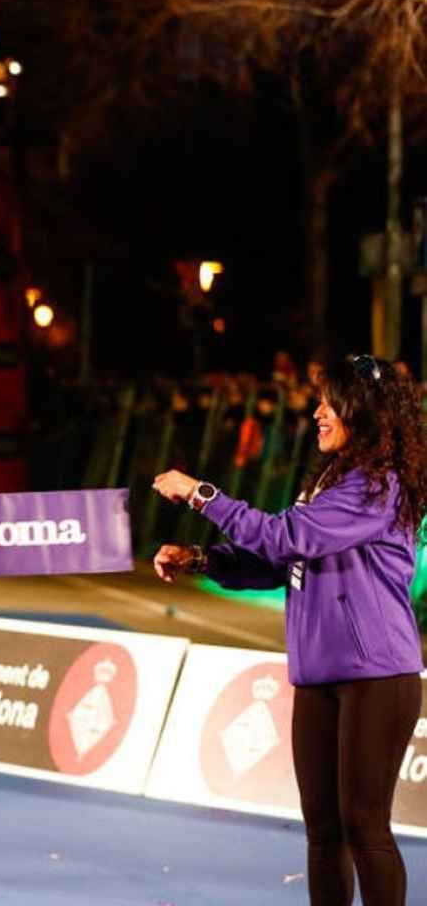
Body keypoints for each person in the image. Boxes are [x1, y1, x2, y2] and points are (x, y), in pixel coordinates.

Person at [151, 353, 426, 906]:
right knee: (323, 832)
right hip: (320, 672)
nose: (318, 412)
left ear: (363, 412)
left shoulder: (378, 486)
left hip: (378, 676)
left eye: (331, 402)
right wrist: (203, 559)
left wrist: (202, 494)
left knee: (364, 828)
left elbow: (282, 538)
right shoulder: (332, 480)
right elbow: (280, 563)